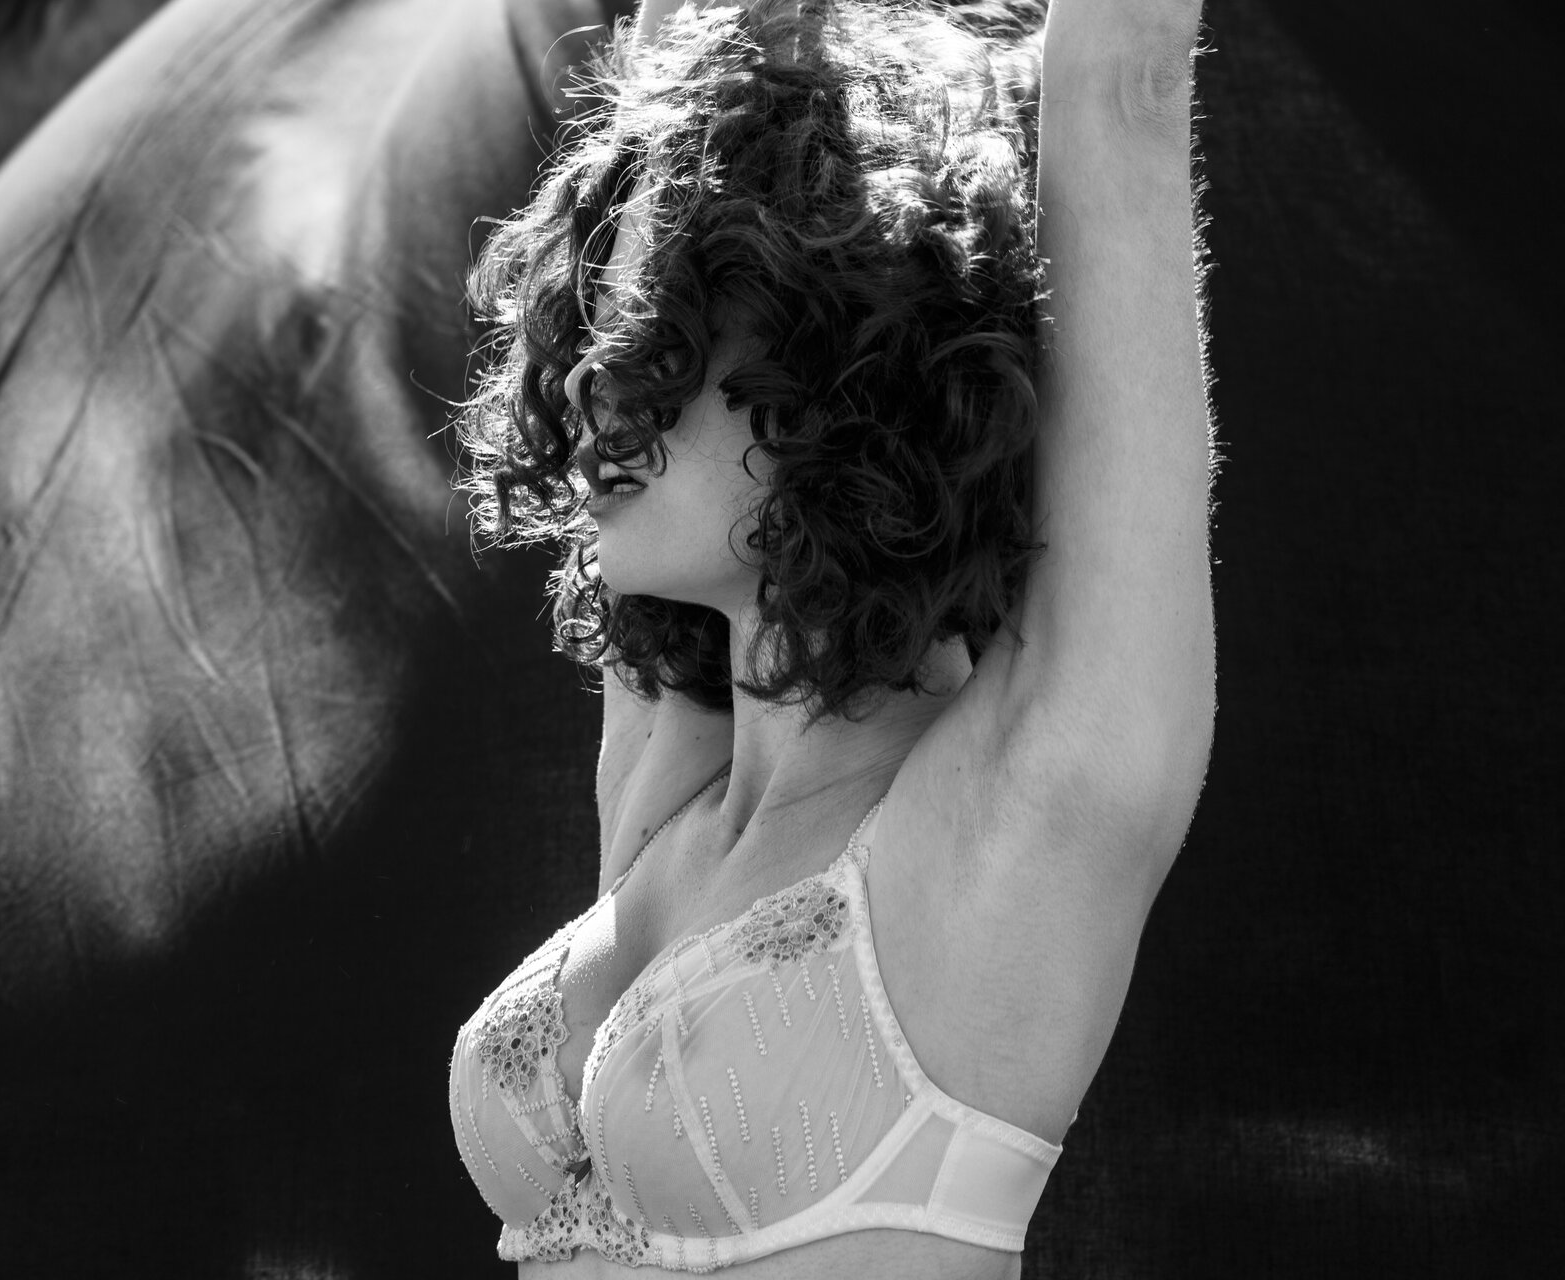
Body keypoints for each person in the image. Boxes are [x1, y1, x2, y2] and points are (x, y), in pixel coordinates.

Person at [448, 0, 1213, 1272]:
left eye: (654, 330)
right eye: (601, 320)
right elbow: (688, 51)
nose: (587, 377)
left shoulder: (1020, 807)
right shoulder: (678, 783)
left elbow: (1122, 90)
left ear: (834, 364)